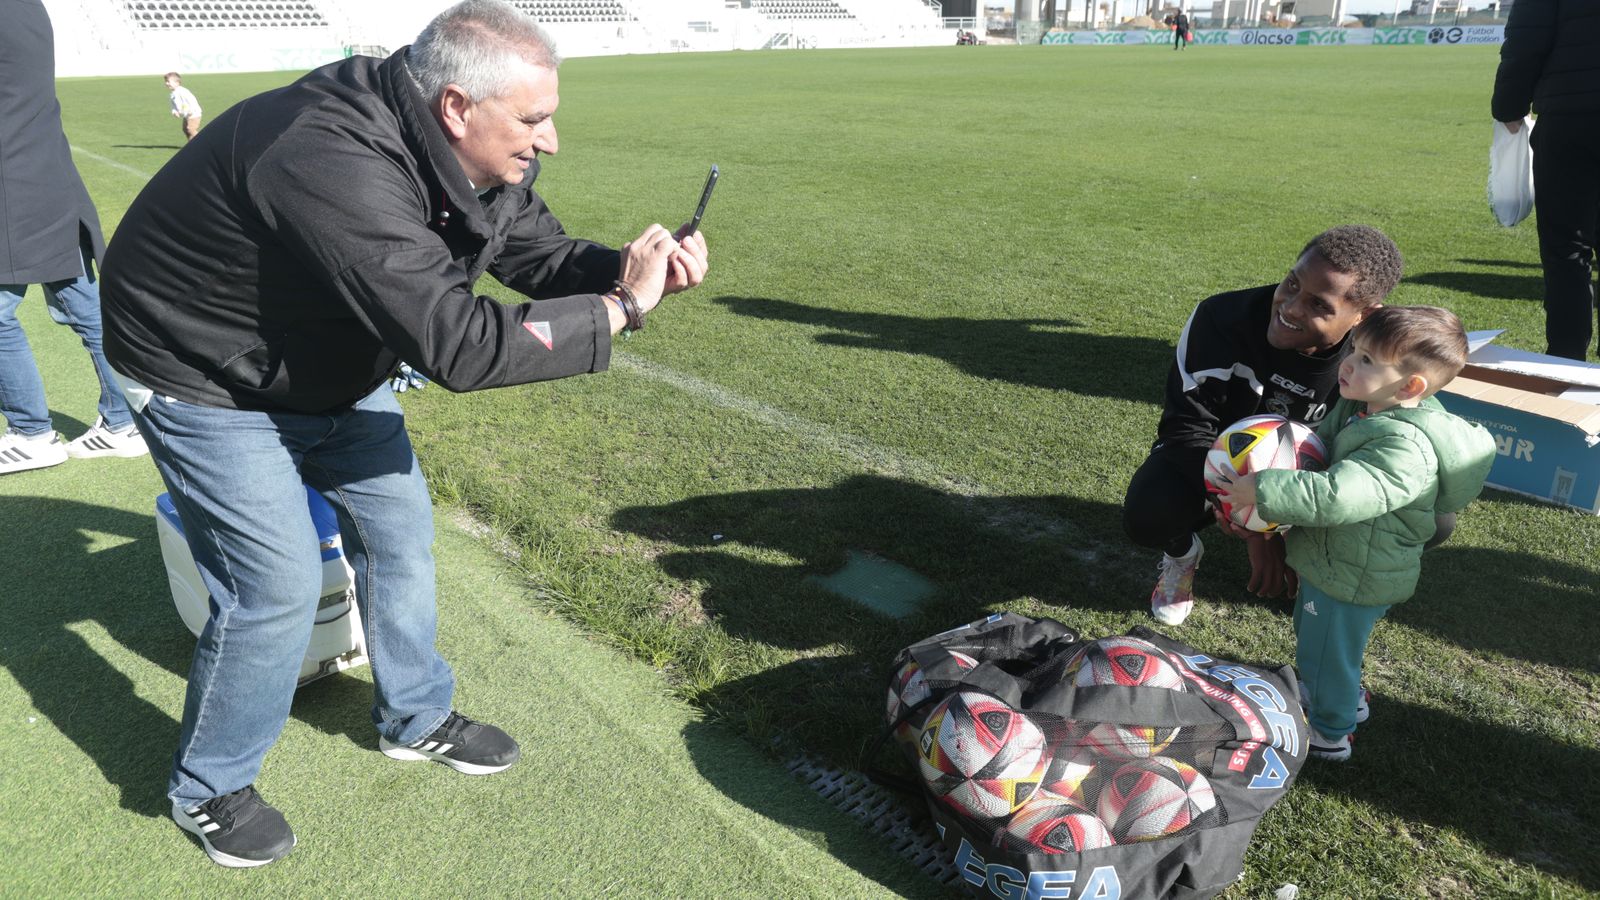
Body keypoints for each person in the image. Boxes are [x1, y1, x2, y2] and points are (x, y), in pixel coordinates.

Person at [100, 0, 709, 868]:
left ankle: (414, 717)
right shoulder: (326, 155)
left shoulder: (466, 149)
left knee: (398, 535)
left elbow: (533, 252)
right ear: (457, 107)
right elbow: (459, 345)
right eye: (533, 120)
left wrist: (632, 270)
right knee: (273, 588)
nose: (551, 139)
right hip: (202, 375)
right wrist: (621, 309)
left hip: (327, 364)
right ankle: (208, 786)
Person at [1214, 306, 1494, 760]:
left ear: (1410, 387)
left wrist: (1262, 489)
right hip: (1342, 560)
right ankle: (1341, 695)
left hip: (1354, 573)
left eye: (1366, 360)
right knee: (1324, 642)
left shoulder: (1404, 446)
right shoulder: (1366, 407)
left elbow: (1338, 496)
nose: (1347, 364)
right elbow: (1324, 449)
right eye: (1354, 350)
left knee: (1327, 650)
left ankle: (1331, 732)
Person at [1123, 225, 1403, 626]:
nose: (1291, 307)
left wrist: (1289, 514)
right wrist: (1256, 528)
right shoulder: (1222, 318)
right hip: (1219, 462)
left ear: (1365, 315)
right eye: (1292, 283)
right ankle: (1183, 554)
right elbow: (1186, 430)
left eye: (1318, 304)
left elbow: (1387, 448)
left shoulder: (1383, 356)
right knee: (1150, 511)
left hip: (1319, 484)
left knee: (1428, 518)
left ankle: (1322, 566)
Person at [0, 0, 149, 476]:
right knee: (84, 305)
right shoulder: (27, 8)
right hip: (48, 176)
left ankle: (31, 434)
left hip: (12, 184)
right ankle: (126, 422)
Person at [1491, 0, 1600, 361]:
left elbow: (1526, 35)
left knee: (1565, 249)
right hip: (1569, 113)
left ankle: (1566, 360)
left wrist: (1509, 106)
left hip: (1569, 118)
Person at [163, 72, 203, 142]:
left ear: (177, 83)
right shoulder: (172, 94)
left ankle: (203, 142)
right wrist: (174, 111)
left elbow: (192, 100)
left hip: (194, 114)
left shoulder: (183, 91)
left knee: (191, 129)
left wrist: (191, 110)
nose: (166, 83)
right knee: (185, 129)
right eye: (166, 81)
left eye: (168, 81)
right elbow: (173, 105)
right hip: (186, 114)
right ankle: (191, 144)